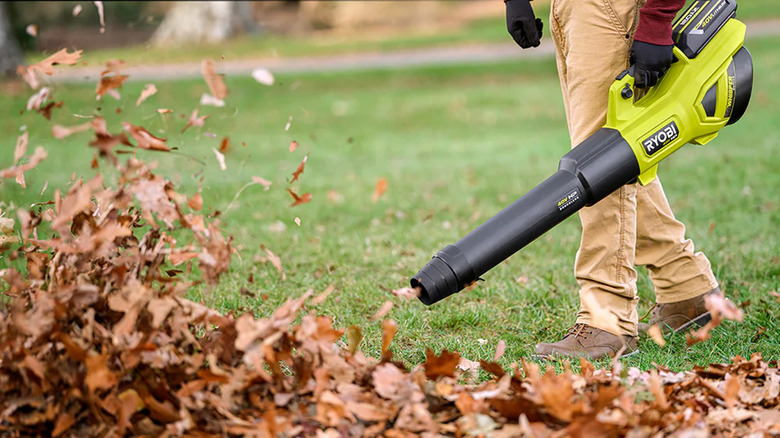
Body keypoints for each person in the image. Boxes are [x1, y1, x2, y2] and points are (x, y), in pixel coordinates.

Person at [505, 0, 721, 360]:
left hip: (609, 10)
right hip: (573, 11)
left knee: (599, 165)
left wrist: (657, 19)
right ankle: (686, 286)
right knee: (611, 158)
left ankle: (606, 320)